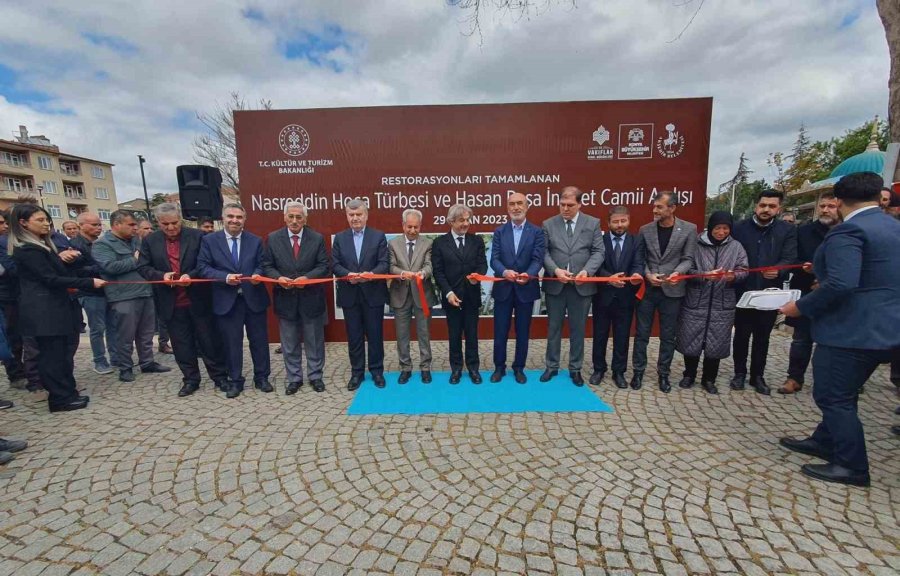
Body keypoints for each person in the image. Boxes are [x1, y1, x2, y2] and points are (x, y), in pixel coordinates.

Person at [779, 172, 900, 487]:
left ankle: (851, 465)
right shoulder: (892, 226)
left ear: (839, 201)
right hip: (885, 328)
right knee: (843, 392)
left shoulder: (849, 231)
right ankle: (825, 440)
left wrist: (801, 307)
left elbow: (842, 284)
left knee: (833, 396)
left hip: (851, 330)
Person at [8, 203, 106, 412]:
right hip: (43, 311)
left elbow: (59, 272)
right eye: (40, 220)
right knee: (51, 356)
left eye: (47, 220)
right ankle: (59, 399)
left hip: (56, 307)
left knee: (62, 353)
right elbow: (50, 279)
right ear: (23, 223)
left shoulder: (43, 246)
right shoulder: (27, 249)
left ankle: (67, 392)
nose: (46, 224)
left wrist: (73, 263)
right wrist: (88, 282)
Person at [138, 203, 228, 397]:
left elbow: (207, 263)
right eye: (165, 224)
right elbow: (143, 267)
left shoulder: (198, 236)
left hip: (198, 299)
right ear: (158, 223)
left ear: (181, 219)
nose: (171, 227)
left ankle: (220, 377)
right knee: (181, 344)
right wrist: (161, 275)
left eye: (174, 222)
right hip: (171, 302)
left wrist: (191, 275)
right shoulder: (150, 241)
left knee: (209, 342)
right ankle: (190, 379)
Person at [198, 203, 272, 398]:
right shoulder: (210, 241)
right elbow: (203, 268)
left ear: (244, 220)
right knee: (232, 343)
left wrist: (257, 274)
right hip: (226, 299)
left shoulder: (255, 241)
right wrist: (225, 277)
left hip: (253, 297)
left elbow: (262, 264)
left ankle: (262, 378)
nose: (234, 220)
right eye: (230, 216)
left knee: (259, 341)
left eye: (239, 217)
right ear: (223, 218)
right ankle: (235, 380)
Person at [730, 190, 798, 395]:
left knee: (763, 336)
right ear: (756, 206)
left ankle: (757, 376)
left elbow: (790, 257)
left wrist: (779, 269)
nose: (766, 209)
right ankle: (739, 374)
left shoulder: (786, 230)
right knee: (741, 335)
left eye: (771, 206)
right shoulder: (740, 228)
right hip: (744, 290)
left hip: (770, 292)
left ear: (779, 208)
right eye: (763, 205)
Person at [93, 210, 171, 382]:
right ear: (116, 225)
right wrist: (135, 260)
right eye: (131, 225)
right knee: (125, 334)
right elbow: (110, 267)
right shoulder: (103, 244)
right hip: (123, 296)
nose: (135, 228)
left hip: (145, 291)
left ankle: (147, 362)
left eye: (135, 224)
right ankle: (125, 367)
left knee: (146, 332)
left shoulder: (136, 241)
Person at [676, 212, 748, 394]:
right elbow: (686, 267)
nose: (721, 232)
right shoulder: (696, 244)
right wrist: (703, 275)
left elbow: (744, 269)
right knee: (691, 339)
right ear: (711, 227)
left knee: (716, 342)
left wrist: (733, 276)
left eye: (725, 228)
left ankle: (709, 378)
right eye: (718, 228)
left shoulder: (736, 247)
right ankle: (689, 374)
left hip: (722, 301)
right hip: (697, 299)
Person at [261, 202, 330, 394]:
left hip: (311, 299)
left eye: (299, 217)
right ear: (284, 217)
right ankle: (294, 378)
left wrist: (308, 278)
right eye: (291, 216)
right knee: (289, 343)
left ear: (305, 219)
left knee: (314, 341)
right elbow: (267, 266)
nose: (294, 221)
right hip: (285, 298)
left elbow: (324, 266)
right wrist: (278, 278)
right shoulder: (273, 238)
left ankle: (316, 376)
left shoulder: (316, 238)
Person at [631, 192, 697, 392]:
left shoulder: (688, 229)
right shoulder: (645, 230)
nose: (655, 210)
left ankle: (664, 374)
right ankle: (638, 372)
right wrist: (648, 274)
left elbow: (688, 258)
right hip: (649, 290)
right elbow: (640, 258)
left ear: (672, 208)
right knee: (641, 333)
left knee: (668, 335)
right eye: (654, 206)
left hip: (673, 290)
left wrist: (678, 272)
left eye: (659, 207)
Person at [540, 187, 605, 386]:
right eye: (562, 205)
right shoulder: (548, 224)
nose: (565, 209)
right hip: (556, 286)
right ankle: (551, 366)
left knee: (578, 329)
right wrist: (555, 270)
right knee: (554, 328)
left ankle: (575, 369)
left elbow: (598, 251)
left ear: (579, 204)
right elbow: (543, 252)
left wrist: (587, 271)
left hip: (581, 286)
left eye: (570, 205)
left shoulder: (592, 223)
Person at [779, 194, 840, 394]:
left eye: (831, 206)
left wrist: (823, 278)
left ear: (840, 207)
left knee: (835, 339)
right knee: (801, 339)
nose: (825, 210)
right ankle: (794, 377)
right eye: (822, 205)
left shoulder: (847, 232)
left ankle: (838, 381)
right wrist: (804, 270)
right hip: (806, 290)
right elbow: (792, 259)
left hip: (836, 294)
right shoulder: (804, 231)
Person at [333, 199, 390, 390]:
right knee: (354, 336)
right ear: (347, 216)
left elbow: (384, 263)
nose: (355, 218)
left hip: (373, 294)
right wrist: (347, 275)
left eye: (359, 214)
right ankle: (357, 373)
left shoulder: (378, 236)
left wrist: (371, 275)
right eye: (351, 215)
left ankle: (377, 372)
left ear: (366, 215)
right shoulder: (340, 238)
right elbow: (334, 264)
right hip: (350, 294)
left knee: (375, 335)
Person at [490, 193, 545, 384]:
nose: (515, 207)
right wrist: (504, 272)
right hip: (504, 288)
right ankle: (499, 368)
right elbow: (494, 259)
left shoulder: (537, 232)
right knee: (500, 332)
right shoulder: (499, 232)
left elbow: (538, 259)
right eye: (512, 204)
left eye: (519, 203)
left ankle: (519, 368)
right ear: (507, 208)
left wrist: (527, 274)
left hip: (526, 289)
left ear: (527, 206)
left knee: (523, 332)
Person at [433, 204, 488, 384]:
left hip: (471, 297)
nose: (466, 224)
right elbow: (438, 272)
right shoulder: (440, 243)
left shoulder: (477, 241)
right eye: (461, 220)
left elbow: (482, 265)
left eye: (468, 220)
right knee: (454, 335)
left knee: (472, 335)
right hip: (451, 299)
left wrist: (477, 277)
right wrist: (448, 293)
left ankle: (473, 368)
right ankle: (456, 369)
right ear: (451, 221)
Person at [590, 206, 644, 388]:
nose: (620, 225)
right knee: (599, 335)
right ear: (608, 223)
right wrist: (608, 279)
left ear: (628, 220)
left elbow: (638, 264)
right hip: (602, 296)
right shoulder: (600, 240)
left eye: (623, 221)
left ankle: (619, 372)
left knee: (622, 336)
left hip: (626, 297)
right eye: (616, 221)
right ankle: (599, 369)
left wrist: (636, 276)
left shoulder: (635, 241)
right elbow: (596, 265)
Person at [388, 209, 438, 384]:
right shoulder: (393, 244)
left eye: (416, 227)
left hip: (422, 294)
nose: (412, 230)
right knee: (402, 334)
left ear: (420, 226)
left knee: (424, 333)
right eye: (409, 227)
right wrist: (402, 273)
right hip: (400, 294)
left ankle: (425, 368)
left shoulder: (428, 243)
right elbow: (391, 266)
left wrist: (423, 273)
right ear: (403, 225)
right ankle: (405, 368)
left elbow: (429, 265)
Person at [69, 212, 118, 375]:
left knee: (113, 326)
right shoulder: (75, 245)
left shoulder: (101, 243)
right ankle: (99, 360)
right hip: (89, 293)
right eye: (93, 225)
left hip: (107, 290)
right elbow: (76, 271)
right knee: (97, 328)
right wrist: (102, 267)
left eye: (99, 225)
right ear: (81, 225)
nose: (98, 228)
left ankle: (115, 357)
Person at [0, 210, 26, 388]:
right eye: (0, 223)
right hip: (6, 297)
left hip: (13, 293)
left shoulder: (7, 241)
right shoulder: (3, 243)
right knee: (11, 336)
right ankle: (15, 373)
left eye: (4, 222)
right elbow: (12, 268)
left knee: (17, 334)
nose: (4, 226)